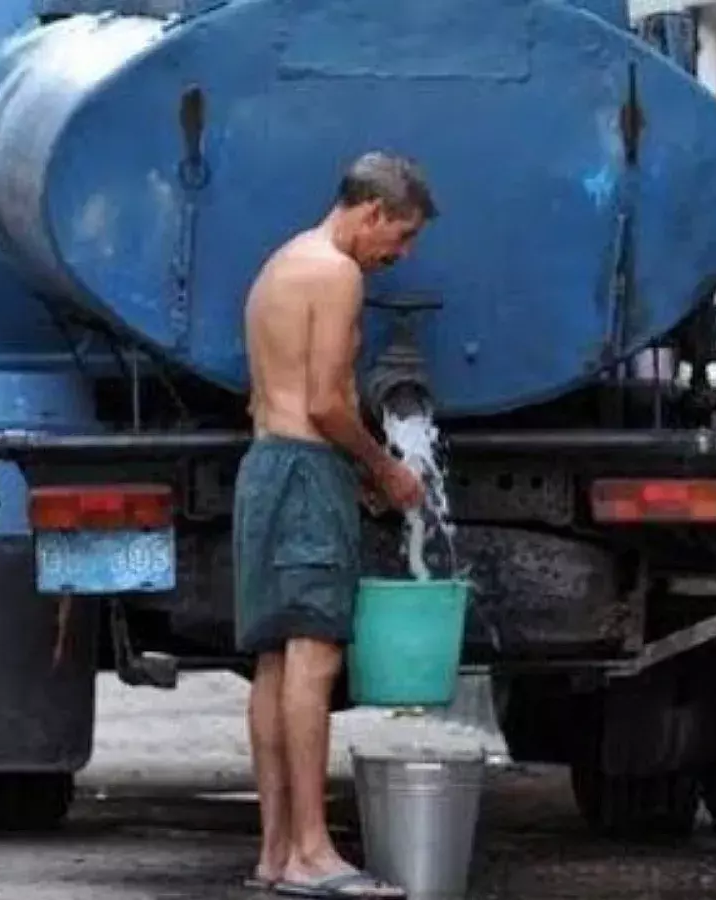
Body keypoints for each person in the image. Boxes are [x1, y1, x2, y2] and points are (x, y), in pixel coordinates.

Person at [236, 151, 436, 899]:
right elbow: (324, 401)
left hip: (267, 466)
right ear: (373, 211)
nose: (401, 254)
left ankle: (277, 853)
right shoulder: (337, 273)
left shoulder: (282, 263)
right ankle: (314, 855)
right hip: (304, 466)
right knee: (314, 658)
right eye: (403, 235)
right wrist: (383, 469)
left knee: (275, 663)